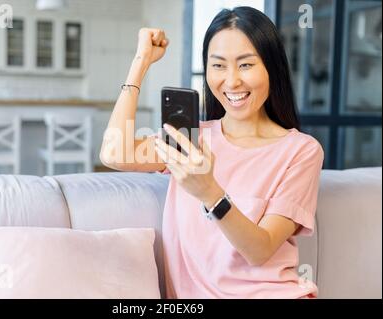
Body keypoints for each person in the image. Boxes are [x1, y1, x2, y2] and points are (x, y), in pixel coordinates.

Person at [100, 6, 324, 299]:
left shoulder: (300, 151)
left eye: (245, 65)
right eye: (218, 65)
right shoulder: (190, 138)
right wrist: (140, 62)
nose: (231, 82)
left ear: (272, 67)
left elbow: (260, 250)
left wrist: (210, 193)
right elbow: (114, 152)